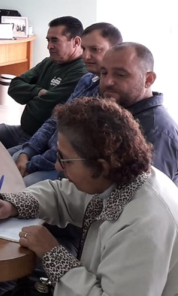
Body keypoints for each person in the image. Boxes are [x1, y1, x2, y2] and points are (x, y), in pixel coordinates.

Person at [0, 98, 178, 296]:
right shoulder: (121, 179)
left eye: (65, 159)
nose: (57, 166)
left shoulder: (145, 226)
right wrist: (14, 204)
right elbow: (62, 194)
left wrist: (53, 254)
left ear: (100, 165)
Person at [13, 23, 123, 185]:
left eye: (95, 49)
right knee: (9, 161)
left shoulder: (110, 95)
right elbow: (55, 120)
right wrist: (28, 152)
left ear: (115, 51)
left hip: (63, 165)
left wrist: (31, 164)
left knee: (20, 183)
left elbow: (73, 148)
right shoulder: (86, 80)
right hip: (46, 151)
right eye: (85, 49)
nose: (86, 56)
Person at [0, 16, 88, 148]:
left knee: (5, 163)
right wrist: (39, 92)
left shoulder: (81, 72)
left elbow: (43, 110)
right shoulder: (49, 62)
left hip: (41, 141)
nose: (49, 46)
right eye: (48, 40)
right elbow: (14, 86)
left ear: (76, 42)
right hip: (22, 130)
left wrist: (30, 97)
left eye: (55, 40)